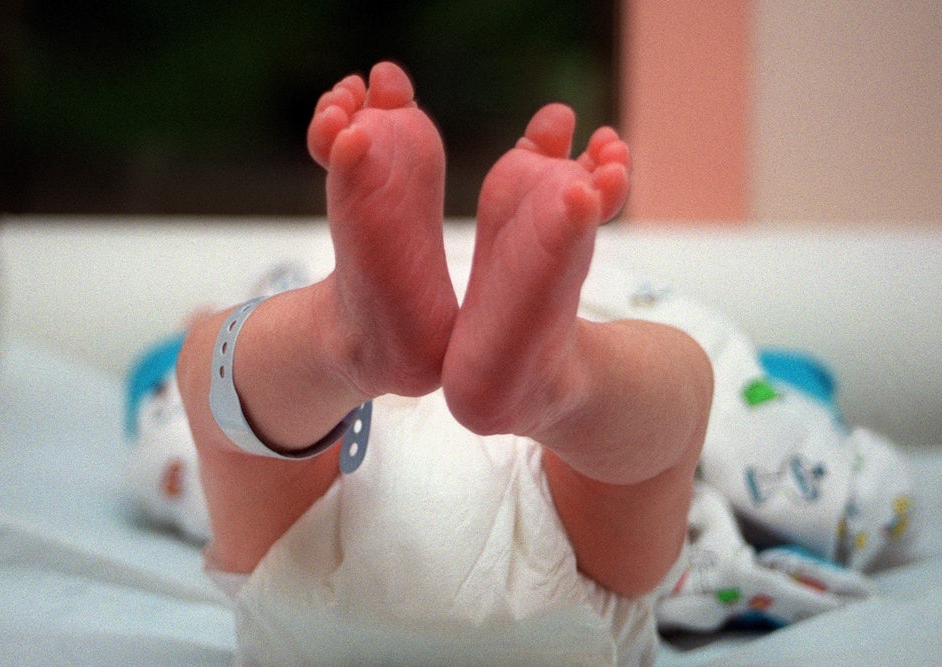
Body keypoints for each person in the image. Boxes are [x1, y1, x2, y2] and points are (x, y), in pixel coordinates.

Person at [175, 61, 713, 664]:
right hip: (574, 571)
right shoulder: (615, 285)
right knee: (684, 386)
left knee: (208, 371)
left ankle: (340, 338)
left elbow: (176, 431)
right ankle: (564, 380)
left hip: (299, 558)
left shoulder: (283, 277)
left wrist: (194, 338)